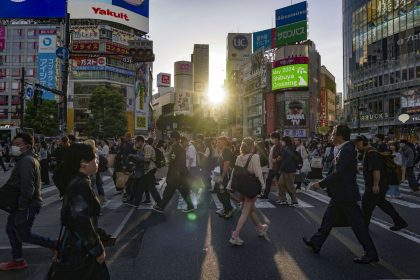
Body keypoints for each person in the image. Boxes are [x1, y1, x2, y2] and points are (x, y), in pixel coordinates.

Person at [303, 124, 379, 264]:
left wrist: (320, 184)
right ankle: (316, 242)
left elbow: (339, 173)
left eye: (333, 133)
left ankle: (371, 253)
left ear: (339, 135)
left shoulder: (347, 150)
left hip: (346, 194)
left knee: (358, 226)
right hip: (340, 194)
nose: (331, 136)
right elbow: (335, 172)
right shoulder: (342, 149)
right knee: (328, 220)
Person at [0, 133, 56, 271]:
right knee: (12, 230)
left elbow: (27, 187)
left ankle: (55, 245)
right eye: (14, 144)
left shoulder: (26, 161)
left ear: (27, 146)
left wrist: (21, 206)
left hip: (27, 204)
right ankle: (18, 259)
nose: (14, 147)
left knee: (22, 233)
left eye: (18, 144)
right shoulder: (26, 159)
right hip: (24, 204)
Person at [53, 143, 109, 279]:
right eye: (94, 157)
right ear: (83, 163)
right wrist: (97, 249)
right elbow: (80, 221)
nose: (96, 160)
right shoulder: (81, 185)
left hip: (74, 246)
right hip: (81, 251)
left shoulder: (78, 181)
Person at [354, 136, 408, 231]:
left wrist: (375, 185)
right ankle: (400, 222)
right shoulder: (370, 152)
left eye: (358, 145)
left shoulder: (371, 153)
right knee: (382, 204)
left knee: (366, 205)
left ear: (363, 143)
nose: (357, 147)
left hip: (375, 185)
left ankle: (363, 226)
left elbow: (376, 170)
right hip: (380, 184)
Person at [227, 138, 268, 246]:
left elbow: (234, 173)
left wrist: (230, 185)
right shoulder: (254, 157)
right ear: (252, 146)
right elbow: (258, 173)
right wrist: (263, 187)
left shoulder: (239, 157)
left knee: (252, 210)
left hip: (242, 187)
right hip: (251, 187)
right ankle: (235, 235)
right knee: (246, 211)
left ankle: (260, 228)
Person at [153, 131, 194, 213]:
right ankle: (190, 206)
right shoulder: (179, 147)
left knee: (169, 190)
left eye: (170, 137)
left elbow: (172, 160)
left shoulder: (175, 148)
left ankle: (161, 206)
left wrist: (165, 162)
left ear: (174, 138)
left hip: (175, 174)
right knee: (183, 191)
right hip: (180, 173)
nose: (169, 139)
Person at [213, 136, 236, 219]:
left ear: (224, 142)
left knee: (221, 193)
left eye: (219, 142)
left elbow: (226, 165)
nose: (217, 144)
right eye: (217, 142)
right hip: (221, 174)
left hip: (225, 175)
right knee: (221, 193)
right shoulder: (223, 151)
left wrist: (222, 177)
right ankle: (226, 209)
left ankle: (230, 209)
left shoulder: (226, 151)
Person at [276, 136, 299, 206]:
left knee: (290, 186)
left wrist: (280, 168)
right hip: (285, 170)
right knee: (280, 184)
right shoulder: (286, 148)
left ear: (285, 141)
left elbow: (287, 161)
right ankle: (283, 199)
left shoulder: (290, 148)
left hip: (289, 169)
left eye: (282, 141)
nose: (281, 142)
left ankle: (294, 201)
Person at [259, 132, 282, 200]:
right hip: (272, 167)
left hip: (276, 167)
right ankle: (265, 195)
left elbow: (281, 155)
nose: (271, 139)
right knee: (268, 181)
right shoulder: (274, 145)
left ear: (276, 138)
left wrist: (275, 160)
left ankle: (282, 197)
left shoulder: (279, 145)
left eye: (272, 138)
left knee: (279, 183)